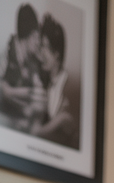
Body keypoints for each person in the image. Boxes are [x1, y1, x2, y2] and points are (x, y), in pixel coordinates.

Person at [0, 2, 46, 129]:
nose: (37, 42)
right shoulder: (8, 51)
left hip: (21, 112)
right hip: (5, 110)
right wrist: (17, 93)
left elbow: (38, 87)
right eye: (35, 37)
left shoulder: (33, 60)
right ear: (27, 36)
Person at [30, 13, 80, 149]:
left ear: (57, 54)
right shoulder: (43, 81)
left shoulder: (71, 87)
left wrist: (41, 131)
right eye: (40, 46)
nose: (40, 53)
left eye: (44, 47)